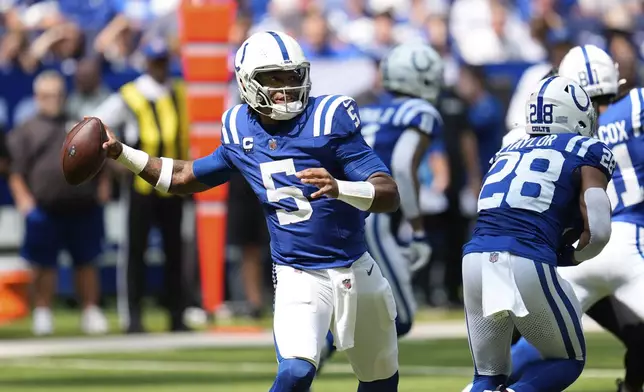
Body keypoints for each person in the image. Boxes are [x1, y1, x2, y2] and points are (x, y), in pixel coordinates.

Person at [98, 30, 401, 391]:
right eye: (273, 78)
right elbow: (182, 176)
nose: (286, 88)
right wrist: (122, 154)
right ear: (247, 82)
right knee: (296, 372)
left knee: (380, 381)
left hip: (356, 267)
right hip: (298, 274)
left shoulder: (329, 118)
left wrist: (340, 187)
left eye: (292, 77)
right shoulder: (240, 129)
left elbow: (388, 192)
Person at [462, 75, 614, 392]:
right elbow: (598, 230)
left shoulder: (509, 149)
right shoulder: (586, 148)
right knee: (567, 360)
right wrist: (573, 255)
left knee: (488, 376)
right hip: (525, 256)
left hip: (475, 258)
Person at [507, 45, 644, 392]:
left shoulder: (563, 134)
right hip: (630, 242)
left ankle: (484, 383)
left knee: (540, 347)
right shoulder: (636, 106)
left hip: (573, 252)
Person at [93, 38, 191, 333]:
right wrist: (112, 165)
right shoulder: (131, 95)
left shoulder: (179, 91)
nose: (160, 67)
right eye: (155, 61)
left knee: (176, 250)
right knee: (135, 251)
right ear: (146, 63)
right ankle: (132, 316)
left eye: (163, 61)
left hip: (175, 183)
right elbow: (95, 124)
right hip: (141, 185)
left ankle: (177, 313)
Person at [7, 70, 109, 336]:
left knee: (87, 262)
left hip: (81, 204)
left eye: (58, 95)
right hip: (45, 206)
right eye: (48, 95)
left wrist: (102, 186)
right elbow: (15, 170)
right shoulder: (26, 130)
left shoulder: (78, 125)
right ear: (37, 97)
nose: (53, 100)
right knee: (43, 265)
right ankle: (43, 311)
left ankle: (90, 310)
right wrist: (24, 200)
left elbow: (99, 157)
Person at [359, 43, 438, 336]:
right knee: (399, 317)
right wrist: (418, 230)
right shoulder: (419, 110)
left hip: (343, 207)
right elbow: (403, 167)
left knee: (357, 301)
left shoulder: (367, 110)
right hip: (373, 213)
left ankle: (313, 358)